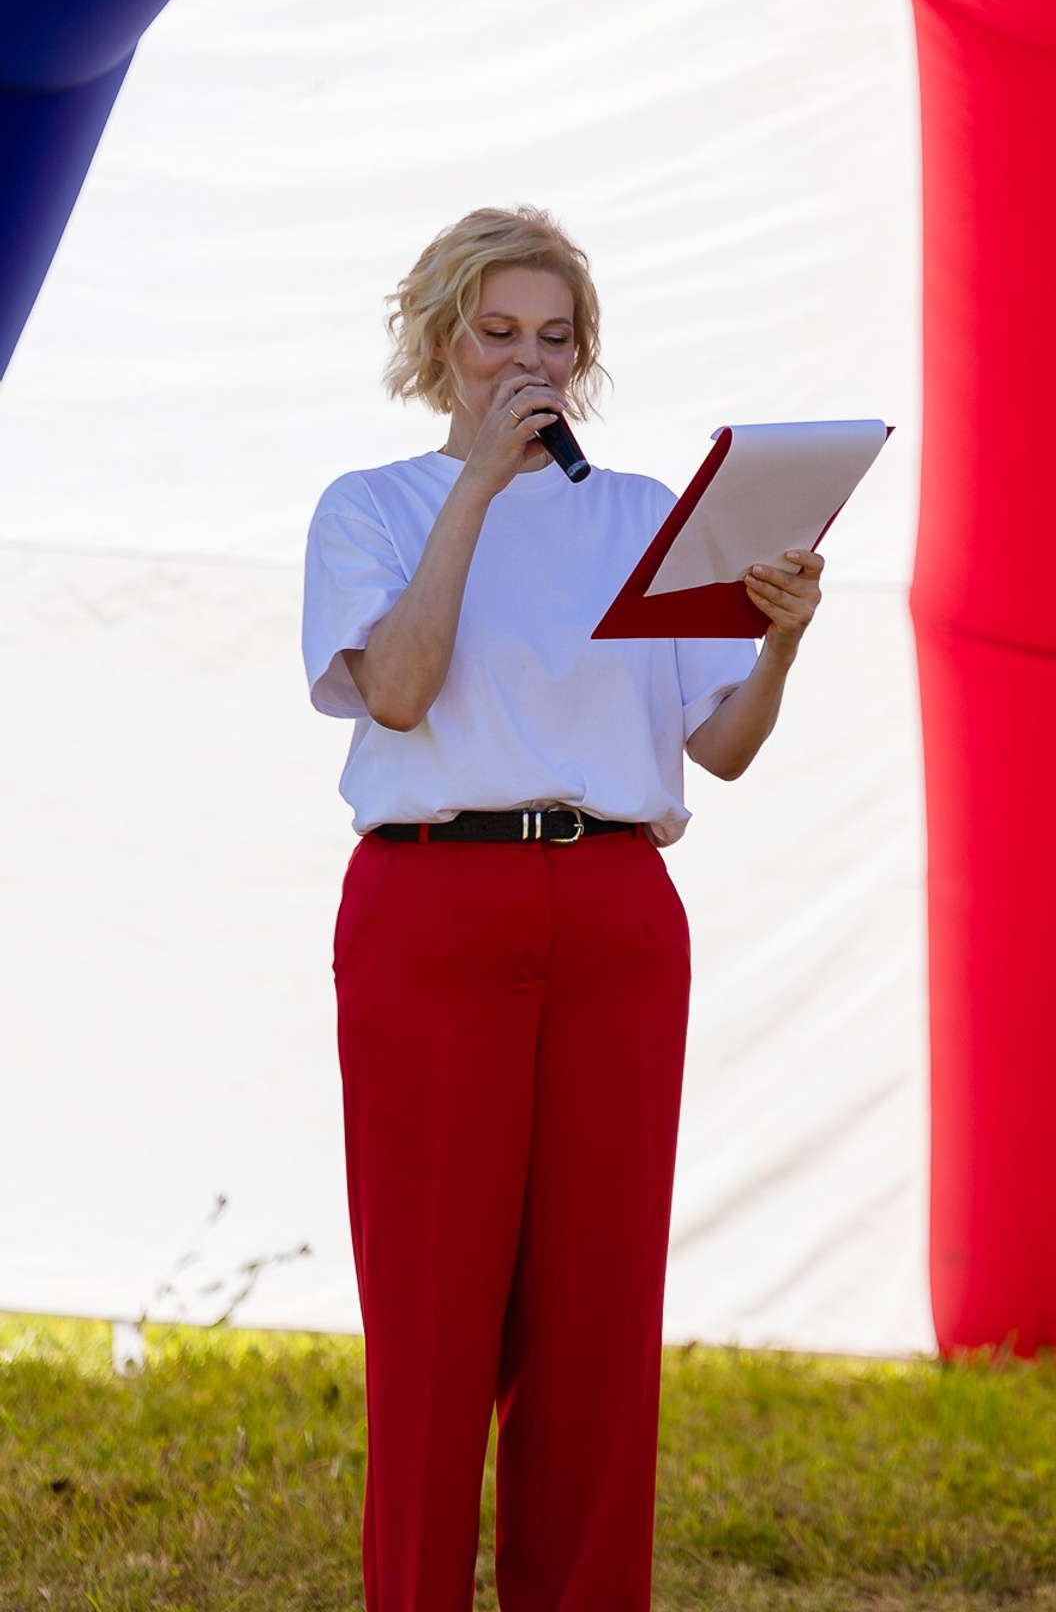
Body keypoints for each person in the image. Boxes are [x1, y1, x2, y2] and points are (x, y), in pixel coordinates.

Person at [301, 205, 824, 1612]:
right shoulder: (373, 506)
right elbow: (401, 690)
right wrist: (478, 487)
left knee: (596, 1322)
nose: (529, 363)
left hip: (612, 914)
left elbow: (719, 746)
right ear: (439, 344)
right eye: (498, 336)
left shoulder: (646, 516)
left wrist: (779, 640)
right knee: (434, 1319)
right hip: (434, 907)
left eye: (555, 338)